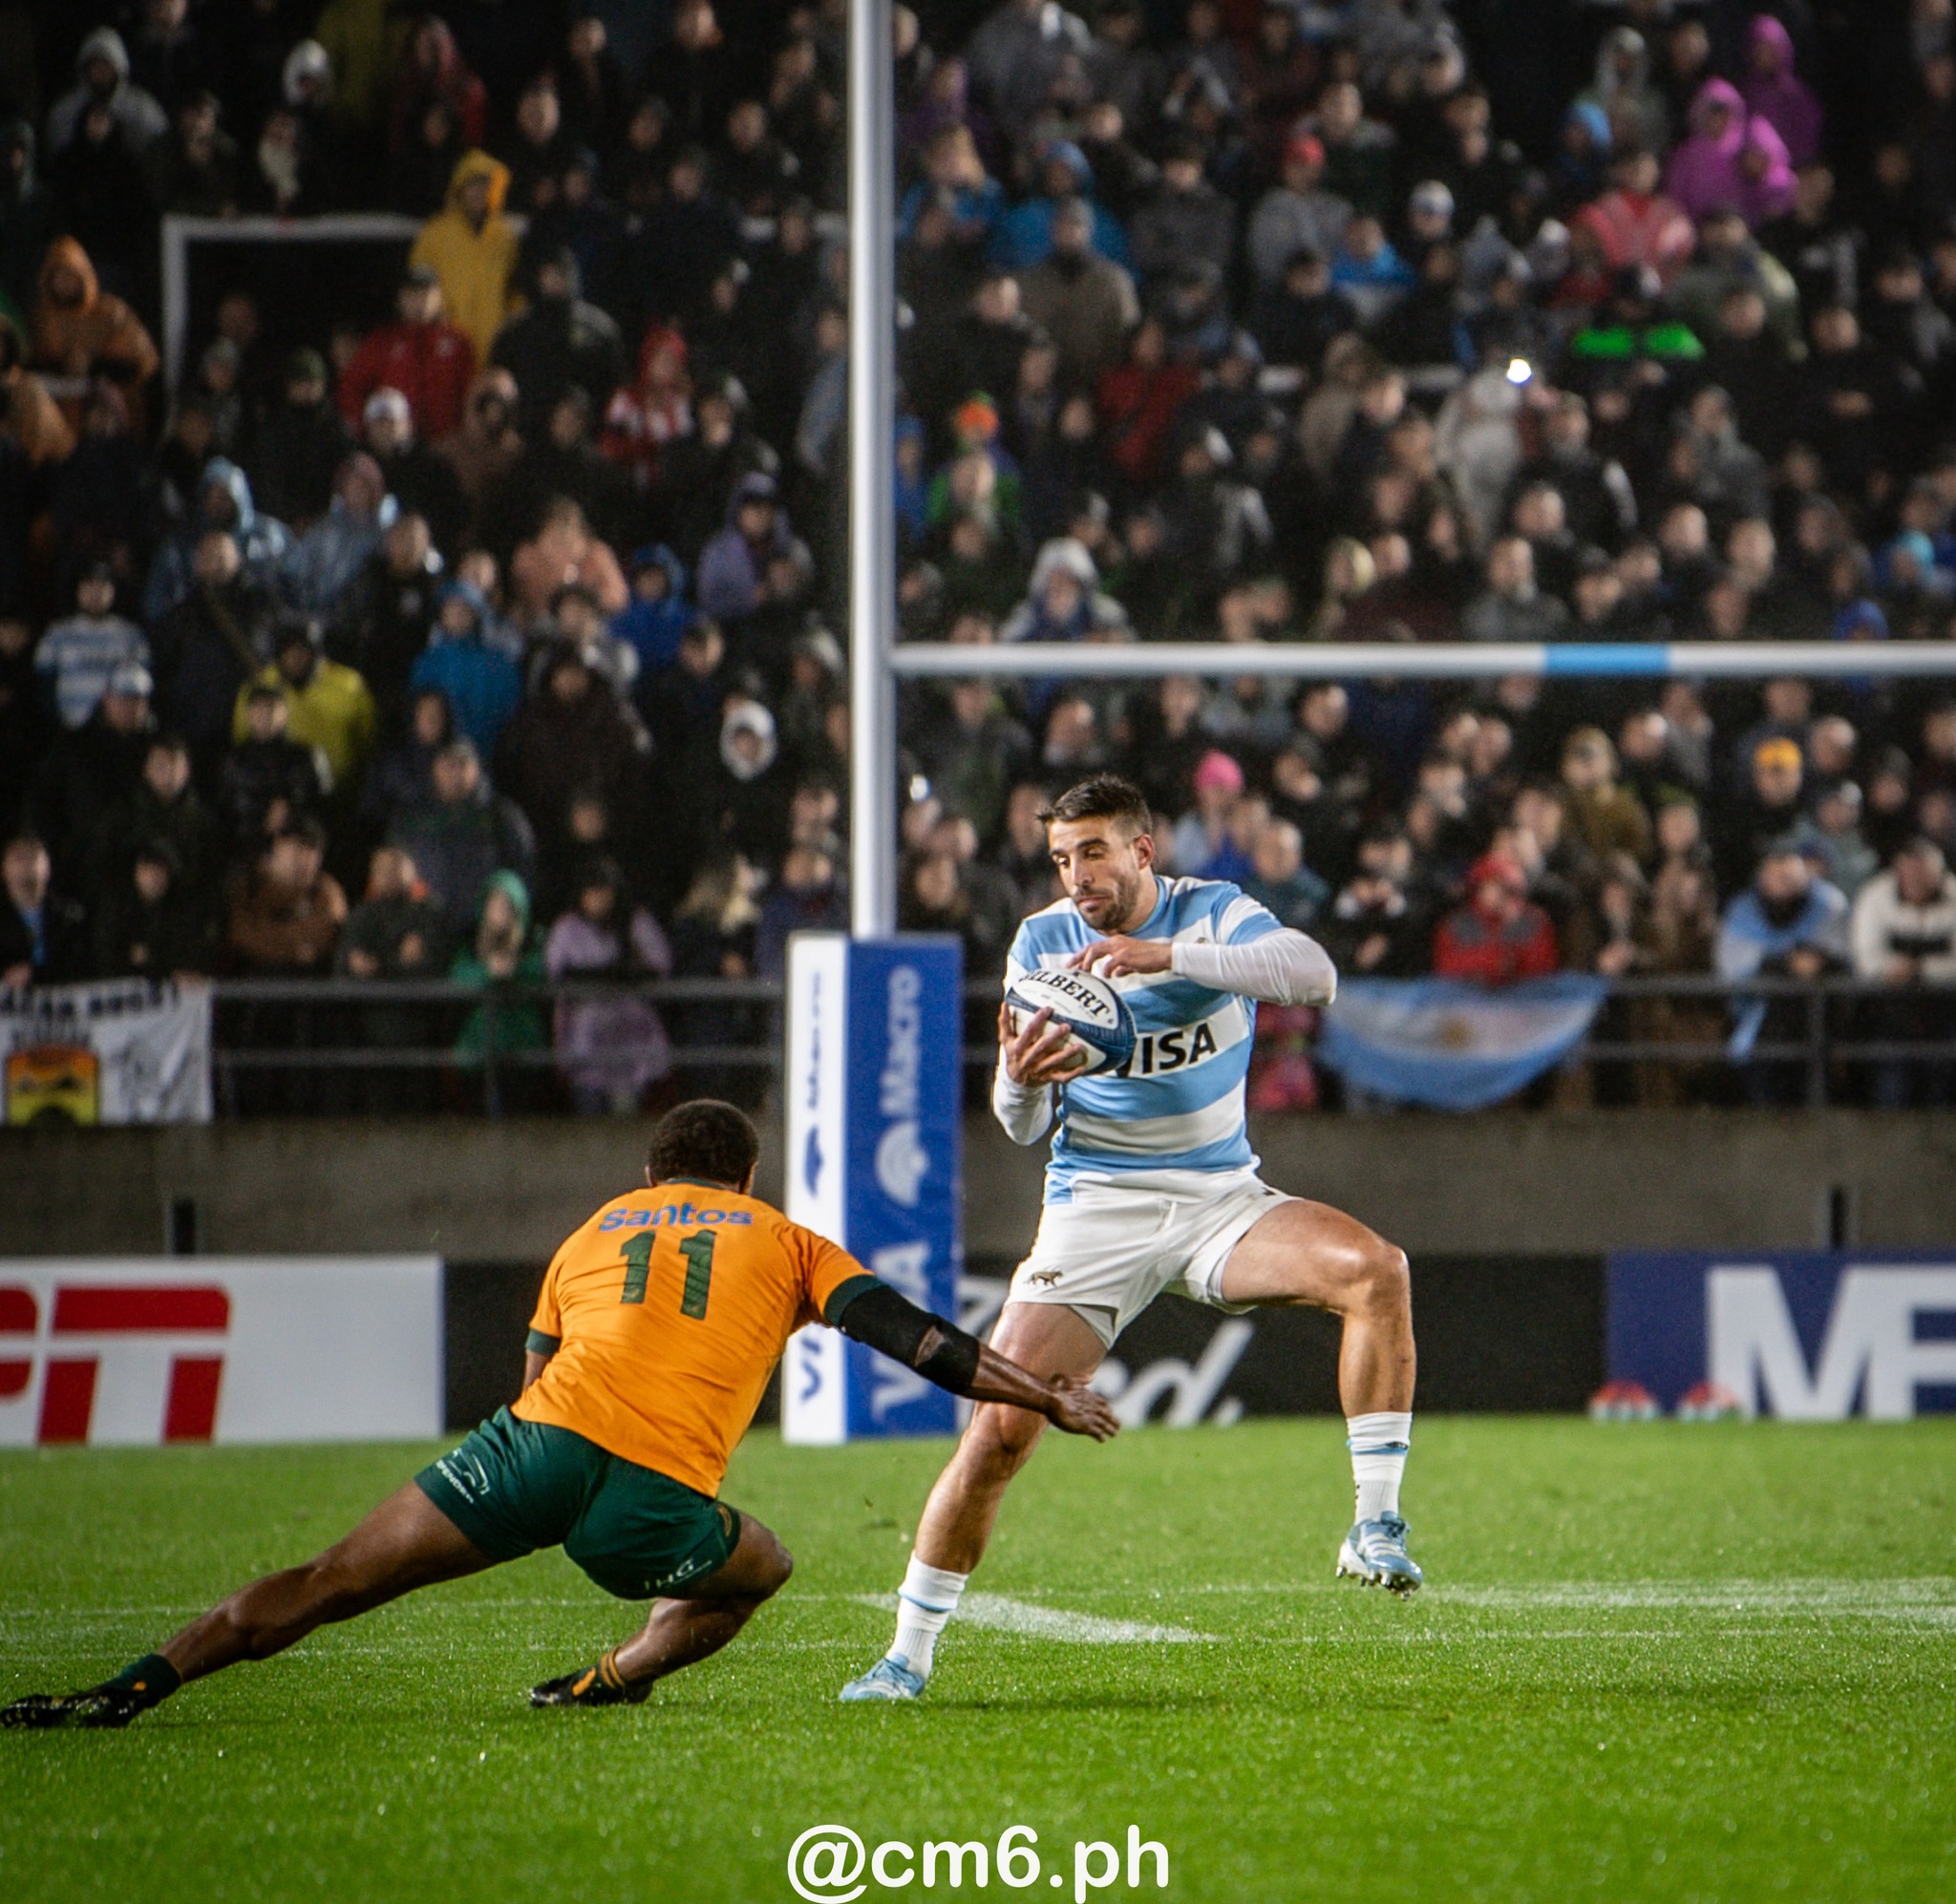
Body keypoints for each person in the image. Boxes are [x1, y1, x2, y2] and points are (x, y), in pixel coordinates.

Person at [2, 1100, 1117, 1727]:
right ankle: (609, 1676)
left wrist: (526, 1466)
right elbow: (917, 1338)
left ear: (650, 1169)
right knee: (763, 1563)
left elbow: (531, 1366)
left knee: (330, 1578)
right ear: (747, 1173)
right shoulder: (786, 1240)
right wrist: (1045, 1392)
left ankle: (129, 1686)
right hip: (646, 1500)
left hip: (530, 1451)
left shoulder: (594, 1228)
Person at [840, 774, 1417, 1705]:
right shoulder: (1041, 943)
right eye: (1062, 856)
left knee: (1375, 1269)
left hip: (1222, 1196)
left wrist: (1168, 957)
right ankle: (905, 1653)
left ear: (1143, 851)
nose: (1076, 874)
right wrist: (1022, 1081)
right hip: (1094, 1205)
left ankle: (1373, 1523)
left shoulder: (1213, 912)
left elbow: (1314, 974)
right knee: (999, 1426)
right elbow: (1019, 1122)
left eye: (1094, 851)